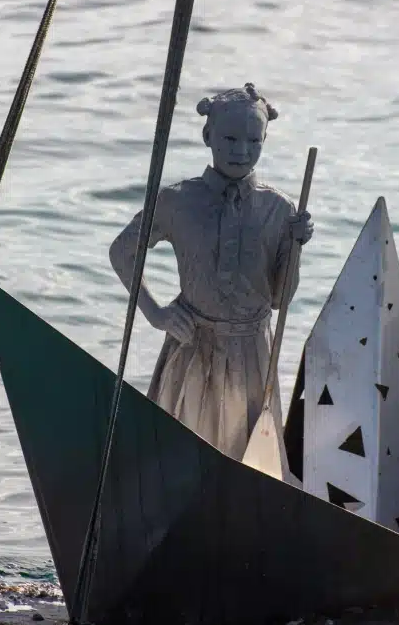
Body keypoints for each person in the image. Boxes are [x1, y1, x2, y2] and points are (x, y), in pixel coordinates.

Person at [110, 83, 313, 459]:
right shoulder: (177, 201)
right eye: (230, 138)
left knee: (251, 460)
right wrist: (156, 313)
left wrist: (296, 247)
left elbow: (281, 299)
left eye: (254, 141)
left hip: (252, 353)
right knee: (177, 455)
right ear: (208, 136)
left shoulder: (279, 209)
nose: (241, 151)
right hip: (192, 347)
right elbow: (123, 251)